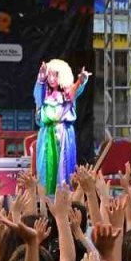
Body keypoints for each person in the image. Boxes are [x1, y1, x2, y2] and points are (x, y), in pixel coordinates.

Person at [33, 59, 90, 195]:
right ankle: (46, 199)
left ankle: (64, 200)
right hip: (47, 135)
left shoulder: (68, 94)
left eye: (55, 75)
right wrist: (41, 77)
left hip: (64, 134)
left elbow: (77, 90)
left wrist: (81, 80)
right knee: (46, 168)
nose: (51, 79)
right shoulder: (44, 94)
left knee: (64, 169)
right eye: (50, 75)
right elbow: (37, 93)